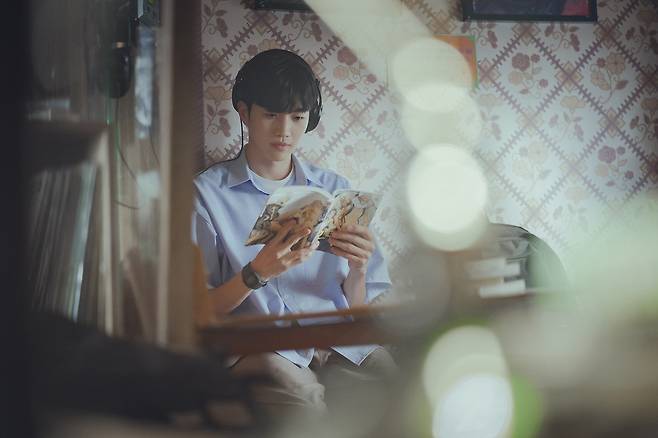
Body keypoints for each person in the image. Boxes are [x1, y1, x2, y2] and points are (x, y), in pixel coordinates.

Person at [192, 49, 396, 419]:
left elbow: (360, 308)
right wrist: (257, 273)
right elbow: (199, 311)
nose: (285, 131)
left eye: (298, 117)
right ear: (244, 112)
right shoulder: (207, 194)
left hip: (338, 340)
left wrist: (359, 269)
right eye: (271, 115)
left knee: (396, 392)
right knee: (306, 415)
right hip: (264, 347)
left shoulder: (335, 189)